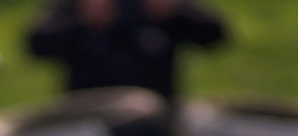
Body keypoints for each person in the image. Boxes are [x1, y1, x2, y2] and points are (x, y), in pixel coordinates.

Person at [26, 0, 227, 99]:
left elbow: (215, 36)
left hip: (157, 110)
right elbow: (36, 45)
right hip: (89, 111)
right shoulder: (77, 7)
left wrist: (174, 13)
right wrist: (82, 22)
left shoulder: (153, 5)